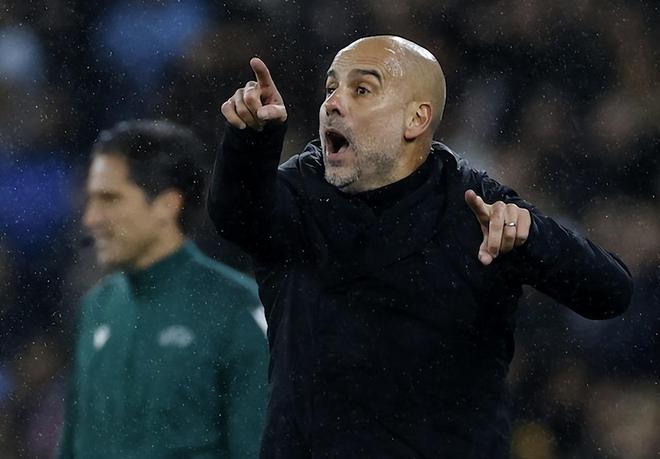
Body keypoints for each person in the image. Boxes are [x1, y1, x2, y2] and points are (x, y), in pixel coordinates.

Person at [208, 36, 633, 458]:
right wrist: (250, 142)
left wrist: (534, 238)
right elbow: (236, 215)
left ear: (415, 119)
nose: (332, 103)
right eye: (331, 88)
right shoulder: (302, 191)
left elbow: (610, 293)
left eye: (361, 89)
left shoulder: (475, 205)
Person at [59, 120, 269, 458]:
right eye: (91, 199)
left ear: (166, 205)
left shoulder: (236, 311)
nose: (91, 218)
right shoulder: (97, 307)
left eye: (109, 198)